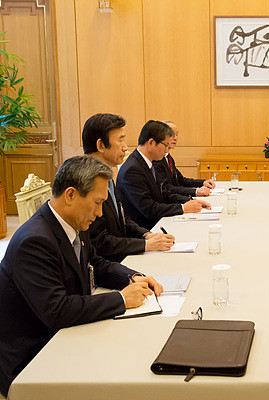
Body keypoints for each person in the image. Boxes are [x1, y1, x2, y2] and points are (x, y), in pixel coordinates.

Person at [0, 156, 163, 397]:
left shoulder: (73, 222)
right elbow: (57, 310)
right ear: (70, 195)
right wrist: (121, 299)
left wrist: (133, 277)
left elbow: (96, 263)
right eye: (97, 203)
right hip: (34, 358)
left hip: (68, 336)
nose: (99, 213)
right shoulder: (35, 241)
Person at [82, 113, 175, 261]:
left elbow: (122, 218)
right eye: (120, 140)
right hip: (108, 263)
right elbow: (99, 242)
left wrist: (146, 235)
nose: (125, 147)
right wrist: (145, 245)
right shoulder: (86, 183)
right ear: (101, 145)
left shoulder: (105, 176)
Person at [116, 120, 211, 230]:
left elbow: (164, 194)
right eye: (165, 145)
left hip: (158, 223)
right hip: (146, 229)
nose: (166, 150)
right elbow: (149, 209)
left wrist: (190, 201)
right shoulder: (133, 169)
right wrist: (183, 208)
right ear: (151, 143)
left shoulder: (147, 162)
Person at [153, 120, 215, 203]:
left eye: (176, 134)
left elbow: (181, 181)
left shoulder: (168, 158)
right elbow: (166, 188)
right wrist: (195, 192)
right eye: (171, 134)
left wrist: (203, 182)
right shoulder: (157, 160)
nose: (175, 138)